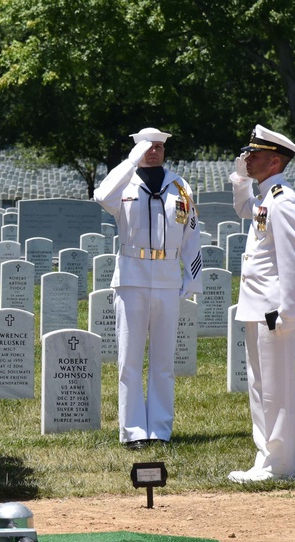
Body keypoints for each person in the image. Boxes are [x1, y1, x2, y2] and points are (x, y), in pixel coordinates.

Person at [93, 128, 202, 449]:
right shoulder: (124, 182)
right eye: (146, 146)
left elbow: (192, 233)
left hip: (167, 277)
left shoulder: (179, 186)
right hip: (131, 276)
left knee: (163, 359)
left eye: (158, 147)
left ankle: (160, 429)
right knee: (129, 358)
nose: (152, 151)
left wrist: (192, 276)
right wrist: (130, 162)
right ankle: (133, 431)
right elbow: (102, 196)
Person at [226, 126, 295, 483]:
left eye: (254, 155)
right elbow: (244, 209)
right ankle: (265, 458)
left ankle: (280, 462)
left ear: (275, 161)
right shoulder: (265, 196)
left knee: (276, 388)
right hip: (256, 305)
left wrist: (288, 310)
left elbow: (292, 259)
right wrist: (240, 176)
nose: (248, 158)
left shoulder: (283, 199)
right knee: (259, 386)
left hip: (274, 308)